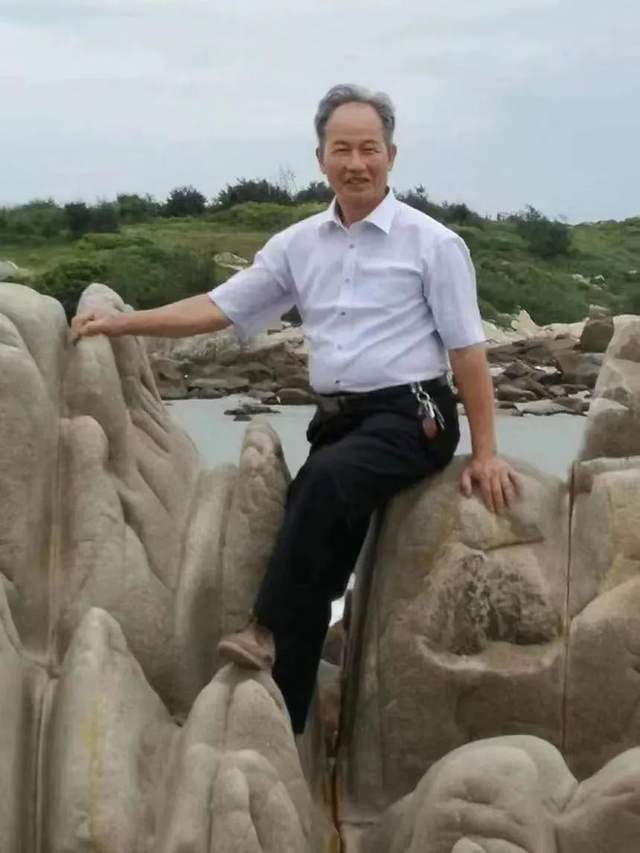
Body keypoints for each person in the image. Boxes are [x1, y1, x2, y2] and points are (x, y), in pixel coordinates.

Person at [72, 83, 519, 735]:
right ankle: (288, 722)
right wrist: (123, 324)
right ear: (320, 159)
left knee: (323, 483)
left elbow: (468, 353)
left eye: (369, 149)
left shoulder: (434, 244)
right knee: (316, 541)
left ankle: (263, 628)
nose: (356, 163)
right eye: (343, 149)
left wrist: (485, 452)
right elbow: (219, 307)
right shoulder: (298, 245)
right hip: (338, 419)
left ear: (391, 156)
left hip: (415, 413)